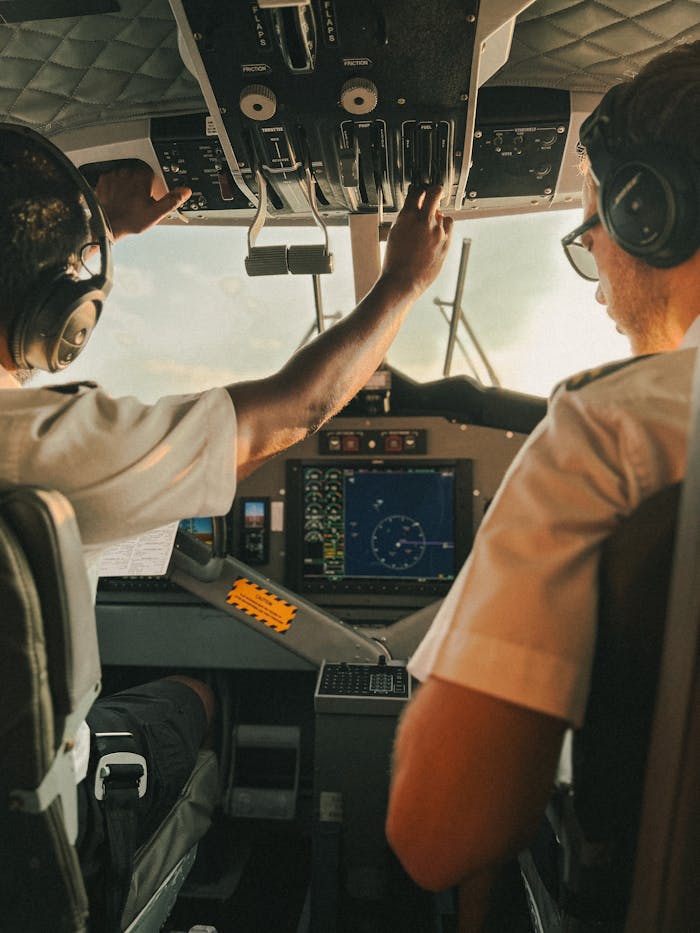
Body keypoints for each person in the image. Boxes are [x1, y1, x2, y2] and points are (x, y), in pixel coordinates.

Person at [0, 123, 453, 922]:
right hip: (47, 865)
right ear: (58, 314)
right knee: (196, 697)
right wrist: (401, 286)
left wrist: (96, 232)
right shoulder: (43, 450)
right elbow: (294, 412)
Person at [386, 39, 700, 931]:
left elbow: (435, 831)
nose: (595, 258)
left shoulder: (610, 432)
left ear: (651, 213)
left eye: (593, 225)